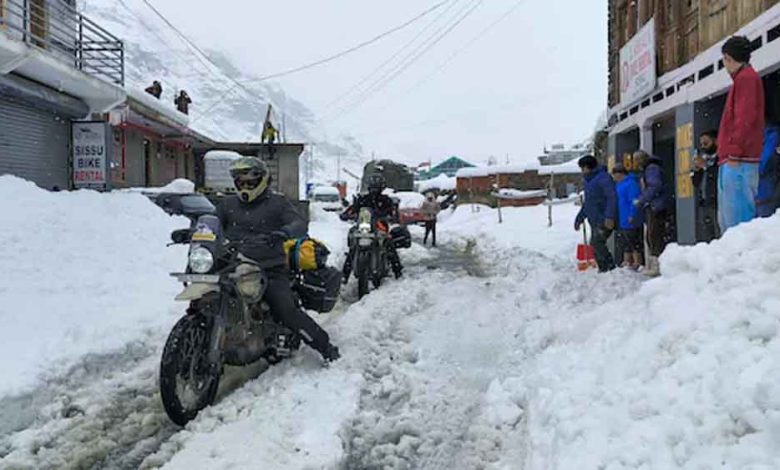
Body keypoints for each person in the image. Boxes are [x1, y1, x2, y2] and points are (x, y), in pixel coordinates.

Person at [216, 157, 340, 363]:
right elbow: (211, 222)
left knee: (285, 310)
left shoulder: (277, 203)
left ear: (263, 180)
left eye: (250, 181)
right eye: (241, 181)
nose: (245, 186)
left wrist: (285, 232)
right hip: (231, 263)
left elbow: (298, 223)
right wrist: (195, 230)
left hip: (269, 267)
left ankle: (327, 349)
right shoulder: (227, 204)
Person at [717, 36, 765, 231]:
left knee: (736, 223)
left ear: (729, 58)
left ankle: (739, 251)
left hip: (739, 160)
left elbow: (745, 118)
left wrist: (734, 151)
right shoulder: (744, 79)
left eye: (725, 58)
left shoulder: (746, 79)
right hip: (735, 158)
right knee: (731, 220)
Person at [340, 174, 403, 280]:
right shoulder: (363, 199)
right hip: (364, 226)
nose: (374, 189)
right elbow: (353, 208)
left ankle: (397, 270)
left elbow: (392, 212)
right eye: (373, 187)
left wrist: (392, 216)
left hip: (379, 226)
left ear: (381, 187)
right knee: (353, 246)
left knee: (388, 243)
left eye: (376, 187)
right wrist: (346, 214)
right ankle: (345, 275)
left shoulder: (386, 200)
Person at [574, 155, 617, 273]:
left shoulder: (603, 178)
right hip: (594, 219)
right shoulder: (589, 181)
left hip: (603, 218)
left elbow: (612, 197)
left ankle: (610, 268)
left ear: (588, 167)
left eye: (583, 168)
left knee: (597, 243)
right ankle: (603, 269)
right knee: (595, 244)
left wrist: (609, 216)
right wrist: (580, 218)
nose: (582, 171)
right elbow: (588, 203)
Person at [633, 150, 669, 277]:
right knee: (652, 235)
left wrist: (642, 199)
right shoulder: (649, 169)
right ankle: (656, 264)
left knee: (654, 235)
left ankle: (658, 265)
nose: (635, 163)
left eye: (637, 160)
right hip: (654, 205)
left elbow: (655, 186)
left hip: (656, 206)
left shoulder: (651, 169)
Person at [612, 165, 643, 270]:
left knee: (633, 240)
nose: (614, 178)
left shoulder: (631, 184)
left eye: (614, 175)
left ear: (620, 174)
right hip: (622, 217)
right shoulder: (620, 184)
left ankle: (637, 261)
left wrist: (632, 214)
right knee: (625, 240)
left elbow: (634, 201)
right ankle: (627, 261)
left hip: (629, 217)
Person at [692, 130, 720, 241]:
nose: (703, 147)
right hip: (704, 202)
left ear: (715, 141)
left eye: (706, 143)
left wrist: (705, 166)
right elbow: (695, 182)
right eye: (701, 144)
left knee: (718, 232)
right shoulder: (703, 158)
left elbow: (717, 176)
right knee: (707, 235)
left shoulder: (720, 158)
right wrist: (696, 170)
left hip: (717, 202)